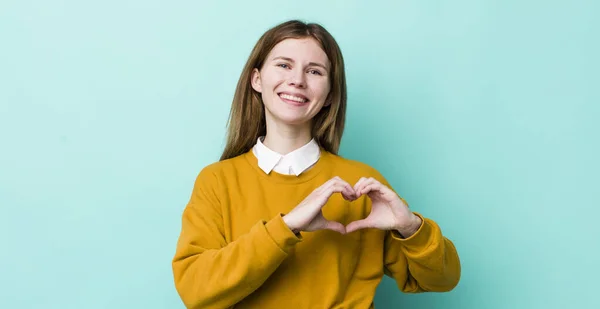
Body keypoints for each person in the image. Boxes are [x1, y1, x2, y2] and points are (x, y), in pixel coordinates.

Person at [171, 19, 461, 309]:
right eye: (284, 65)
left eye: (314, 71)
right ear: (256, 79)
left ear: (330, 96)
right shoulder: (217, 181)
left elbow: (441, 279)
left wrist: (411, 228)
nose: (297, 80)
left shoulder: (362, 184)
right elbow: (196, 291)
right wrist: (287, 226)